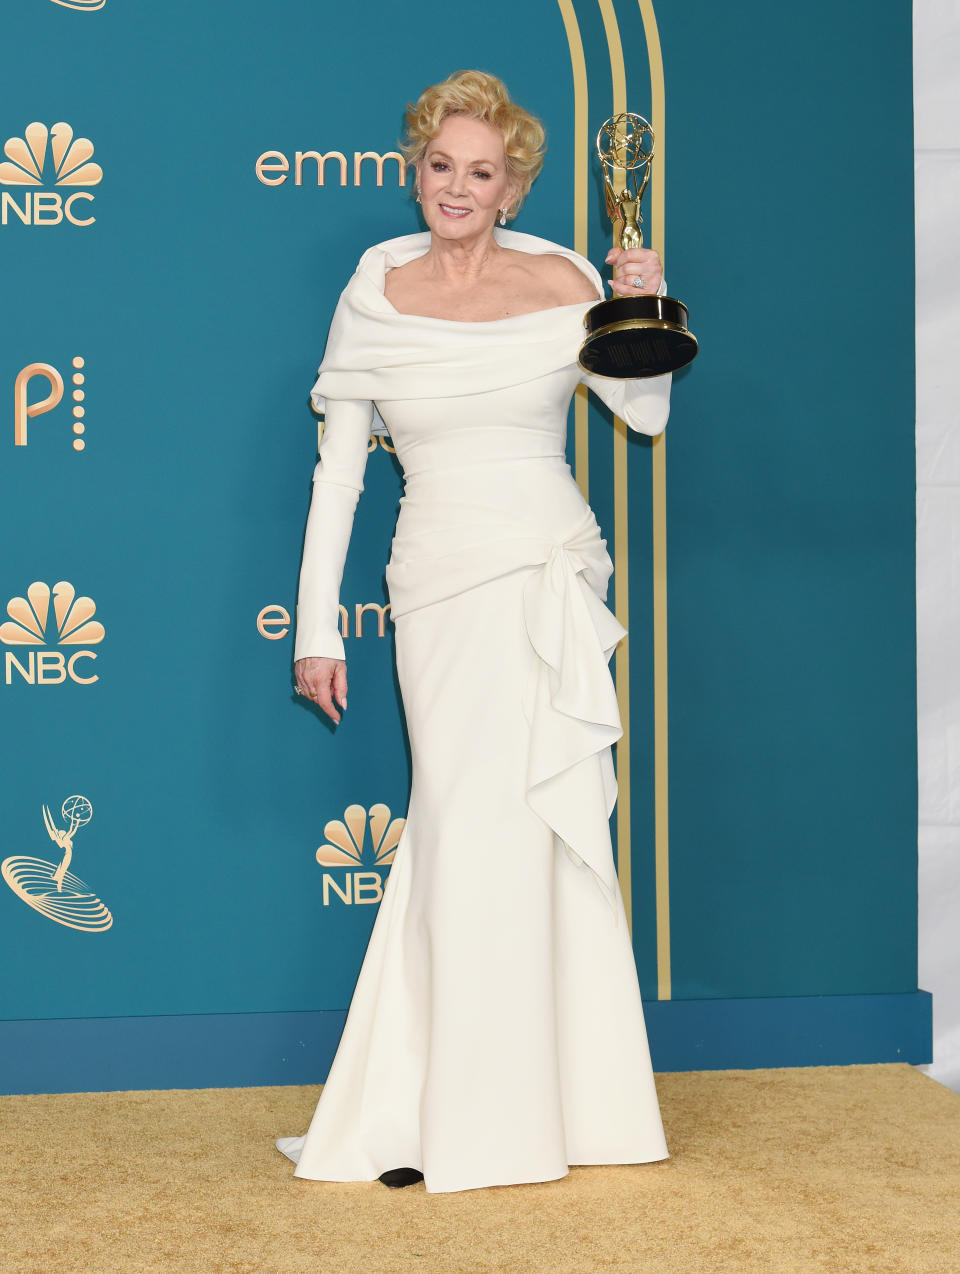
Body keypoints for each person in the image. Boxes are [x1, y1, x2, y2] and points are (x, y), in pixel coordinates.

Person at [276, 69, 673, 1195]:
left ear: (514, 186)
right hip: (442, 582)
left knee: (545, 833)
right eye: (440, 166)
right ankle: (442, 1109)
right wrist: (318, 629)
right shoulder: (375, 295)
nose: (457, 187)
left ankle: (568, 1109)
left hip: (548, 568)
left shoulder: (567, 277)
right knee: (459, 829)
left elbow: (641, 412)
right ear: (416, 172)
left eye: (481, 172)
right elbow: (339, 475)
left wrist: (643, 296)